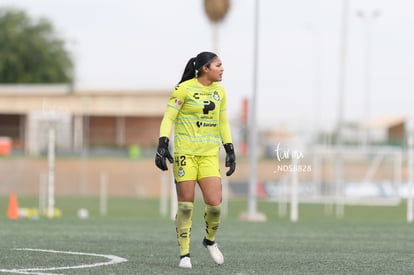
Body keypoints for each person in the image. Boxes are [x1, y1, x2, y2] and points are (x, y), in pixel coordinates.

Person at [155, 51, 236, 269]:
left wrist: (229, 149)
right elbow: (168, 117)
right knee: (186, 206)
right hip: (185, 155)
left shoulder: (220, 92)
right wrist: (163, 143)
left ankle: (209, 241)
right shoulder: (184, 89)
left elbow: (223, 122)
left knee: (215, 206)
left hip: (209, 155)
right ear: (205, 68)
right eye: (218, 65)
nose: (222, 69)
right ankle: (184, 255)